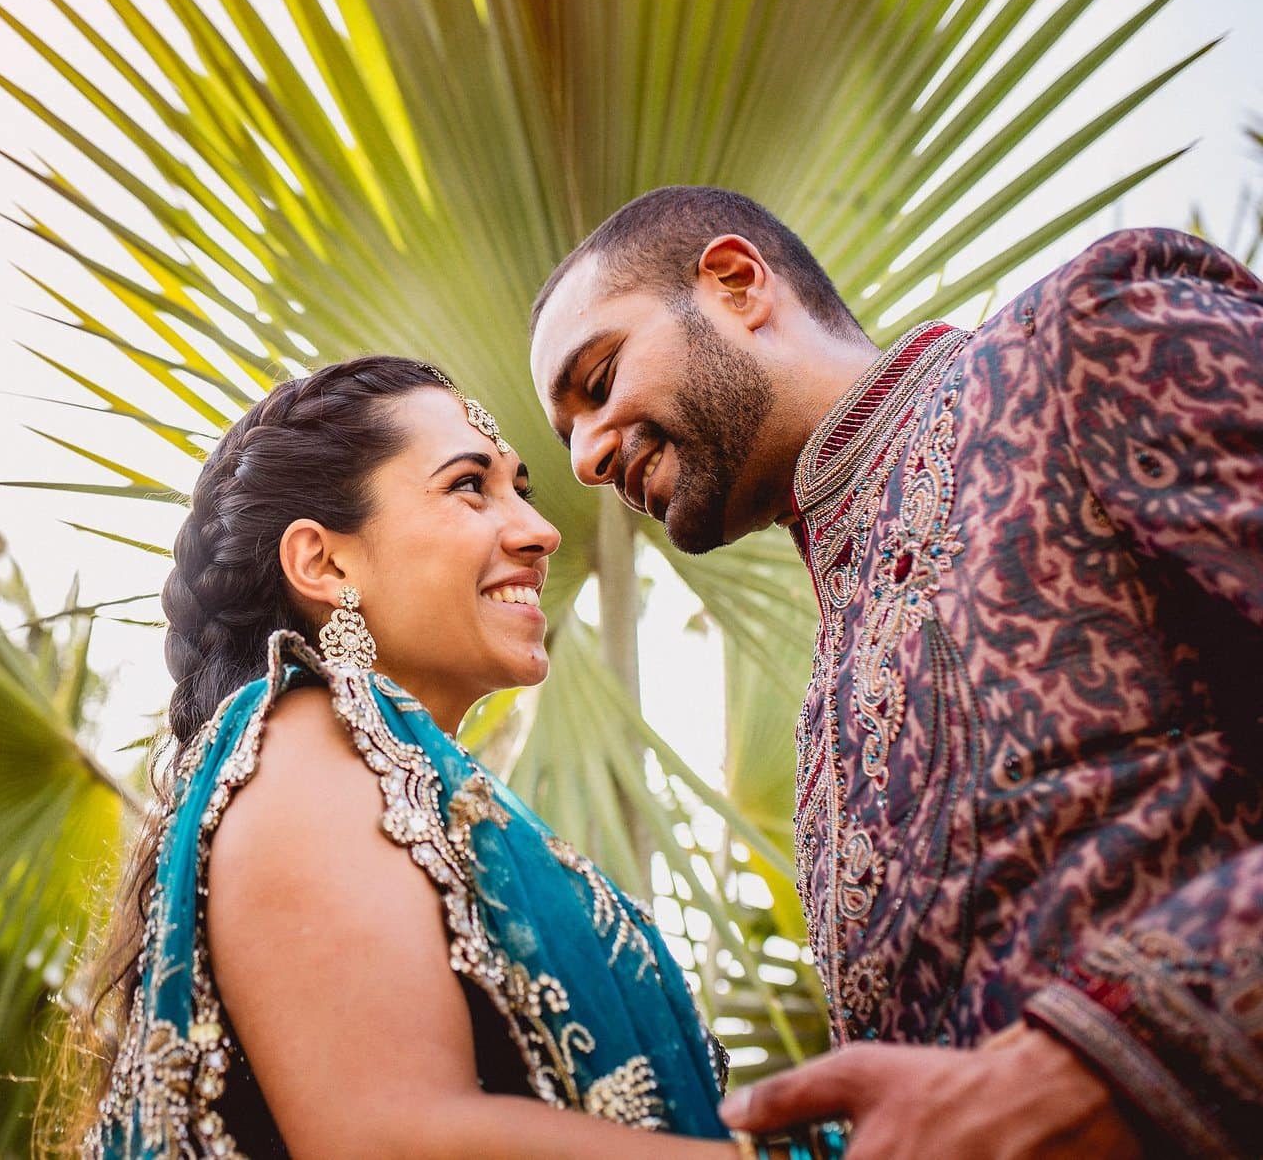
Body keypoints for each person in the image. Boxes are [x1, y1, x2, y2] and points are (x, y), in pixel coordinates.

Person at [527, 185, 1263, 1158]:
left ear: (736, 283)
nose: (582, 457)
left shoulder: (1073, 339)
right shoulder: (820, 718)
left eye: (598, 376)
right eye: (564, 430)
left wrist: (1099, 1060)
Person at [56, 356, 751, 1157]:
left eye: (519, 489)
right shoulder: (298, 743)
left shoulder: (399, 787)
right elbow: (395, 1138)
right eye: (468, 485)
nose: (540, 530)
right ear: (323, 562)